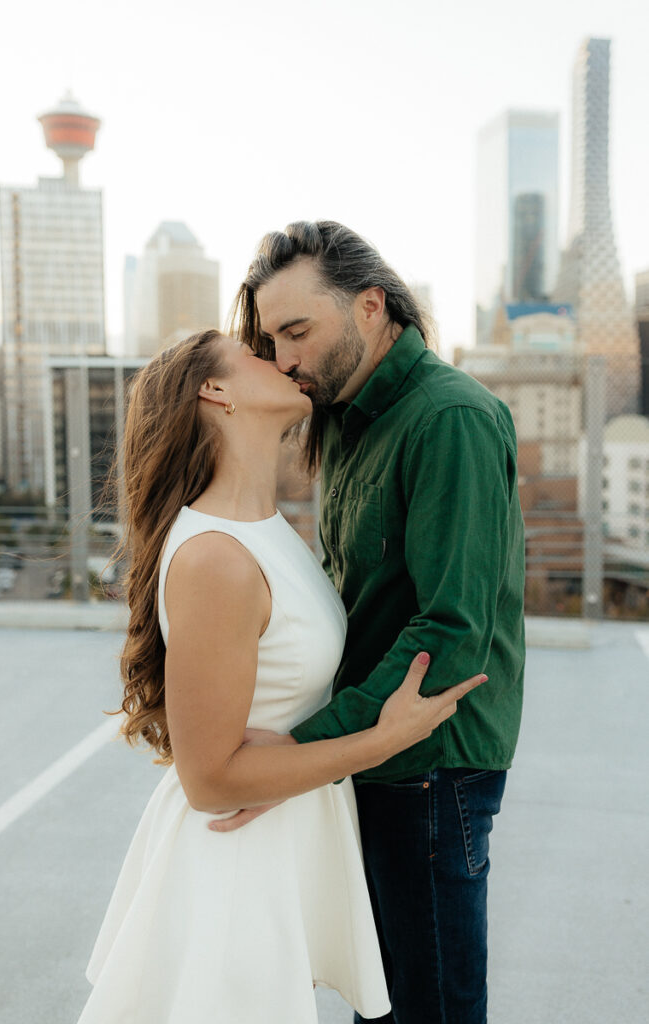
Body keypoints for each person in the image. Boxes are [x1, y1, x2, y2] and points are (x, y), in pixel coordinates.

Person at [76, 328, 486, 1024]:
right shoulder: (216, 558)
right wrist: (379, 741)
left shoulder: (265, 529)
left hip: (269, 847)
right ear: (215, 390)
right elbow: (210, 782)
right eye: (257, 352)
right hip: (230, 869)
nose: (285, 360)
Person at [218, 221, 526, 1024]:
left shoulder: (448, 419)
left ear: (369, 306)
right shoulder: (348, 423)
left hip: (428, 766)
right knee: (379, 1002)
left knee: (427, 1009)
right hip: (371, 756)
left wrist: (306, 746)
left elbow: (449, 633)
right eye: (269, 339)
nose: (282, 358)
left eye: (296, 331)